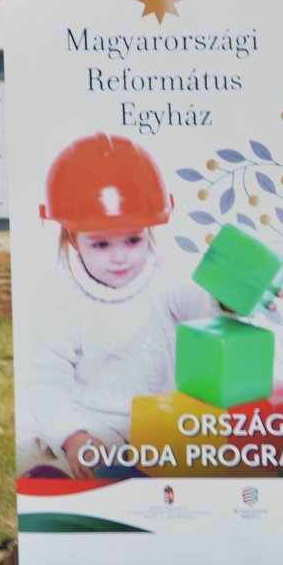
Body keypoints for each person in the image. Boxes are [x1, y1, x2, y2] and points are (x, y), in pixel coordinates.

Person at [24, 132, 217, 476]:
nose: (119, 258)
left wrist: (231, 297)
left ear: (148, 231)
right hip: (96, 427)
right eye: (101, 245)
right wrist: (72, 436)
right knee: (72, 470)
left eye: (133, 240)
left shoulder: (165, 277)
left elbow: (201, 299)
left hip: (165, 425)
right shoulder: (63, 303)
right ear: (73, 239)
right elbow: (45, 382)